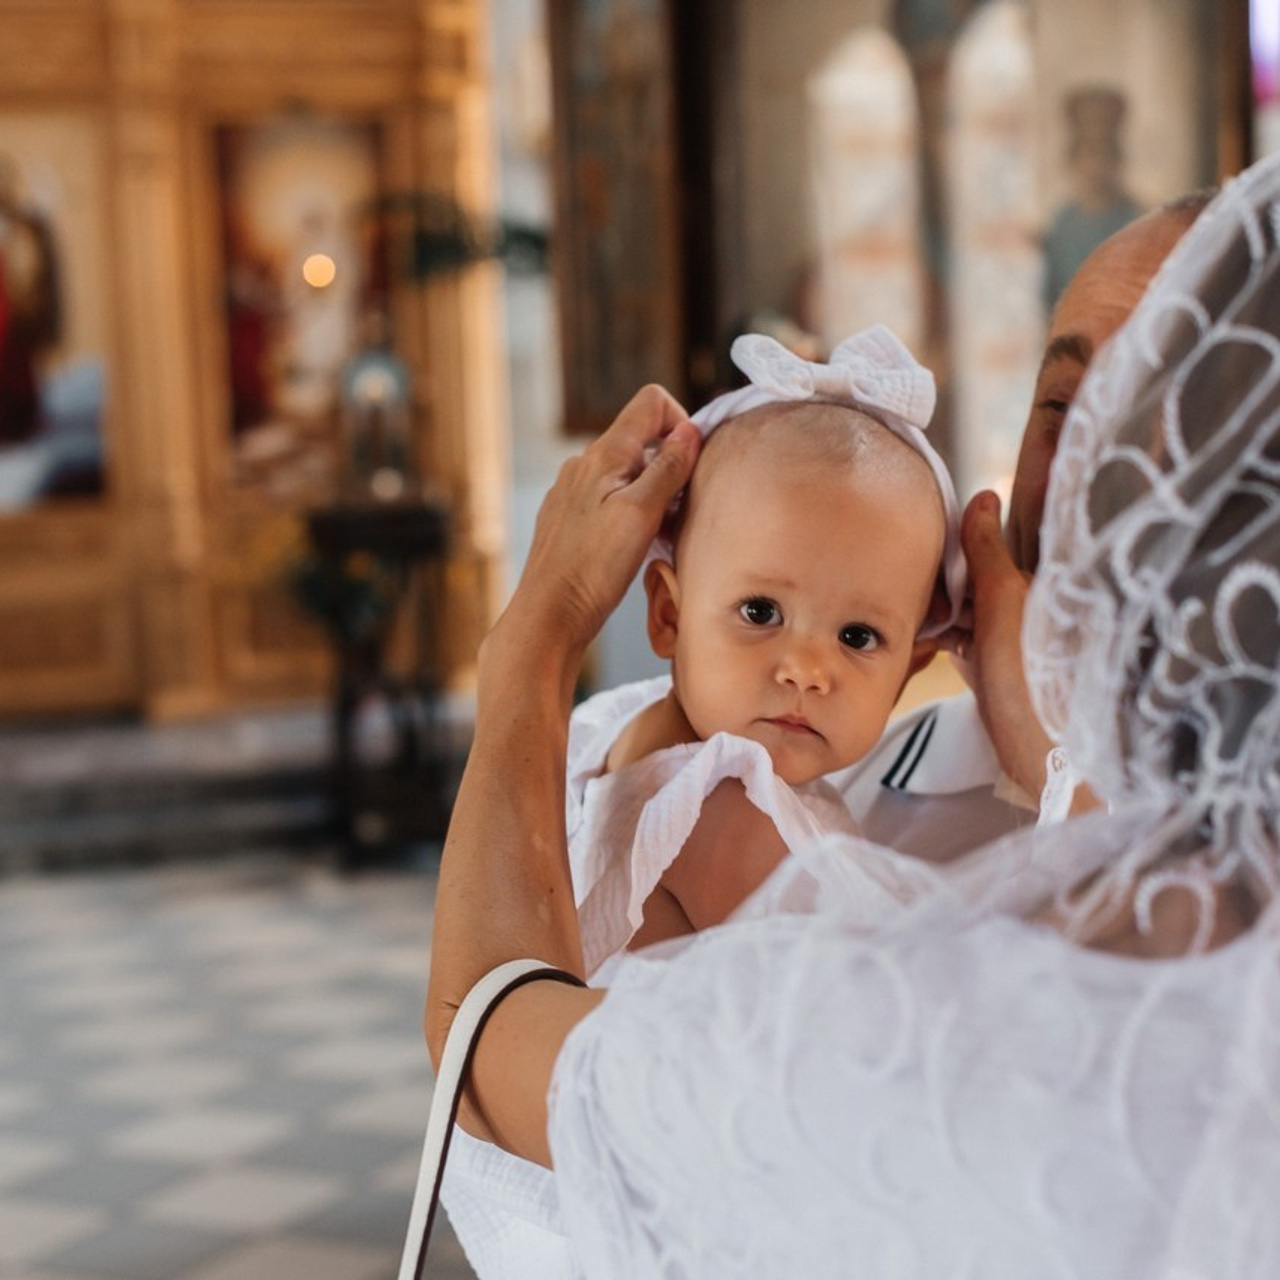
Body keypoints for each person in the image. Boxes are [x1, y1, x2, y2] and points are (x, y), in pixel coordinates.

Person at [425, 150, 1280, 1275]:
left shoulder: (926, 1012)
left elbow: (491, 1050)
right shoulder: (809, 769)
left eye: (1189, 428)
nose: (1098, 474)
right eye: (1065, 405)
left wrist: (531, 639)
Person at [440, 326, 965, 1274]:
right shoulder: (726, 806)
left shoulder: (619, 728)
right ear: (668, 612)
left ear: (912, 667)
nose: (806, 668)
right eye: (761, 613)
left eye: (859, 636)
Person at [830, 189, 1214, 861]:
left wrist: (1048, 750)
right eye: (1061, 405)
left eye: (1145, 417)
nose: (1078, 469)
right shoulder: (843, 807)